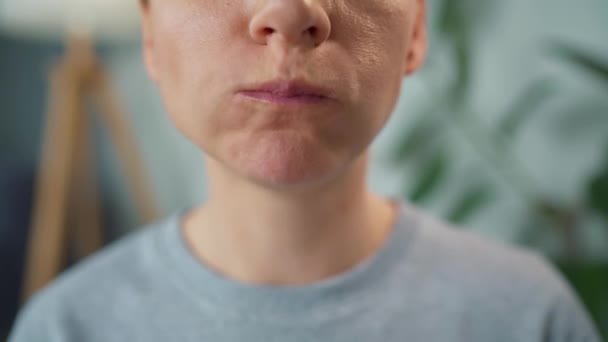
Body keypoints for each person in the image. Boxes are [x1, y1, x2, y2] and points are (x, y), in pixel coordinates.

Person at [9, 0, 601, 341]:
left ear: (415, 31)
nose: (289, 13)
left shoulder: (528, 318)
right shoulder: (67, 328)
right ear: (150, 36)